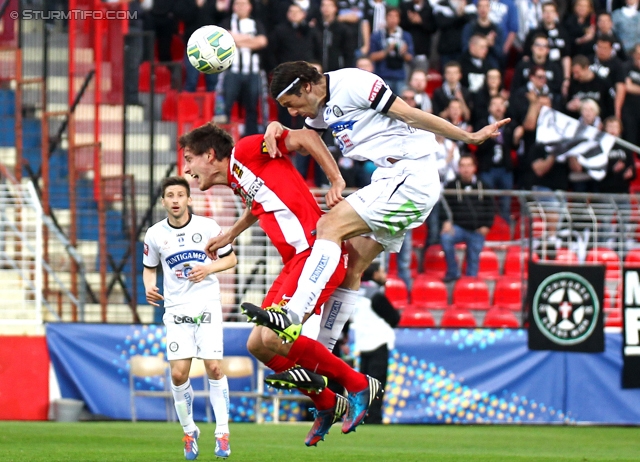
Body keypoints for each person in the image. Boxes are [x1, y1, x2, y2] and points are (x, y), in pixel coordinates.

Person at [254, 61, 508, 378]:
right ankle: (321, 363)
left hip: (411, 175)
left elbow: (411, 114)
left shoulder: (355, 83)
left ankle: (291, 315)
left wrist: (466, 137)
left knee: (328, 227)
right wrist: (278, 130)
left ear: (306, 86)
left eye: (290, 105)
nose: (291, 112)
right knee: (351, 270)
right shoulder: (316, 110)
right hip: (391, 178)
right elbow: (307, 141)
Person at [180, 122, 379, 445]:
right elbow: (260, 203)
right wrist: (231, 233)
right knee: (257, 344)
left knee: (274, 335)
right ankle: (327, 402)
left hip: (316, 254)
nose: (186, 169)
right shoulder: (237, 177)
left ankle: (356, 383)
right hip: (294, 264)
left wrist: (336, 180)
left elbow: (307, 136)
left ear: (211, 155)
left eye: (189, 158)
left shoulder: (247, 150)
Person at [142, 176, 237, 460]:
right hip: (176, 309)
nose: (174, 200)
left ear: (189, 199)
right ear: (163, 202)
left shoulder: (207, 227)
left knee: (214, 368)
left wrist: (208, 270)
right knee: (179, 373)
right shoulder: (155, 234)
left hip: (207, 304)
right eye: (169, 195)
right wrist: (149, 285)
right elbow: (149, 268)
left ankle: (222, 433)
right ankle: (189, 430)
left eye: (179, 195)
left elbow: (231, 259)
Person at [350, 262, 400, 424]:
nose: (384, 275)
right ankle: (375, 418)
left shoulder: (356, 293)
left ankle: (362, 417)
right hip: (378, 342)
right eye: (382, 272)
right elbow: (394, 318)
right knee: (377, 384)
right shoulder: (376, 295)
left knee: (364, 384)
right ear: (375, 274)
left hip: (362, 343)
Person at [440, 154, 495, 282]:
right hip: (458, 227)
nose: (466, 169)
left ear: (474, 168)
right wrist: (446, 222)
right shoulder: (451, 186)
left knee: (474, 256)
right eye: (463, 166)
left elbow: (491, 208)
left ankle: (470, 283)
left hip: (477, 229)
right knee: (445, 237)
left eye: (469, 165)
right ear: (458, 168)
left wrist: (487, 226)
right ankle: (453, 271)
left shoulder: (484, 185)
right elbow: (444, 207)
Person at [220, 0, 268, 136]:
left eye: (243, 4)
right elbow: (224, 41)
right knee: (226, 106)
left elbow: (262, 42)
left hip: (253, 71)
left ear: (250, 7)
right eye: (237, 4)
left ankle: (250, 137)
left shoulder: (256, 23)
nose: (240, 7)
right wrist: (250, 39)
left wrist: (235, 38)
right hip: (232, 71)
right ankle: (223, 137)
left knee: (252, 107)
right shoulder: (226, 22)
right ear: (233, 6)